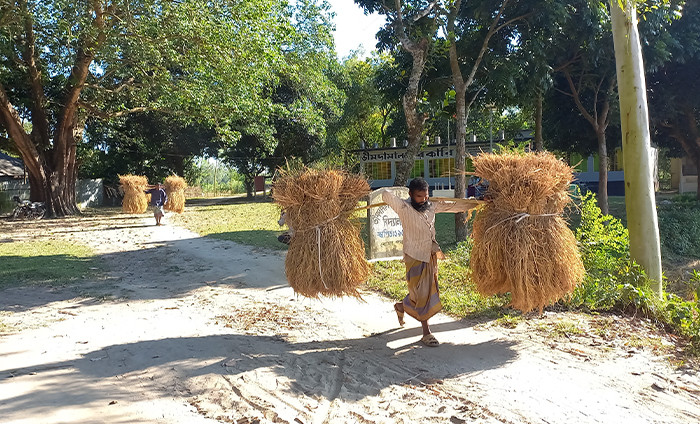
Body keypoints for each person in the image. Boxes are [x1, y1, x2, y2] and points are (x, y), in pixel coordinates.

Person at [379, 177, 474, 347]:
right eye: (419, 196)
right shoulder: (403, 207)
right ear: (410, 194)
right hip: (414, 256)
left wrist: (476, 202)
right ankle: (426, 332)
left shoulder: (432, 206)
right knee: (420, 294)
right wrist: (402, 199)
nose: (423, 199)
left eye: (426, 195)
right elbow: (385, 195)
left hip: (430, 254)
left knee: (424, 293)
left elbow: (455, 206)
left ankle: (402, 306)